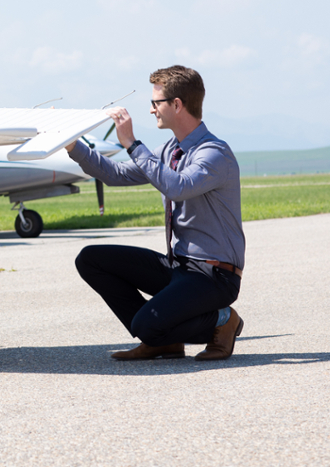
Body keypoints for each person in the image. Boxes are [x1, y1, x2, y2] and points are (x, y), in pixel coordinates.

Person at [66, 65, 245, 360]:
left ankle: (222, 319)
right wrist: (73, 145)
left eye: (155, 103)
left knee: (145, 325)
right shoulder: (168, 151)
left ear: (177, 104)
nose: (151, 110)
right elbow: (115, 175)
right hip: (180, 268)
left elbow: (178, 186)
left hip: (213, 276)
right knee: (91, 259)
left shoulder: (214, 154)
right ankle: (163, 338)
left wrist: (132, 144)